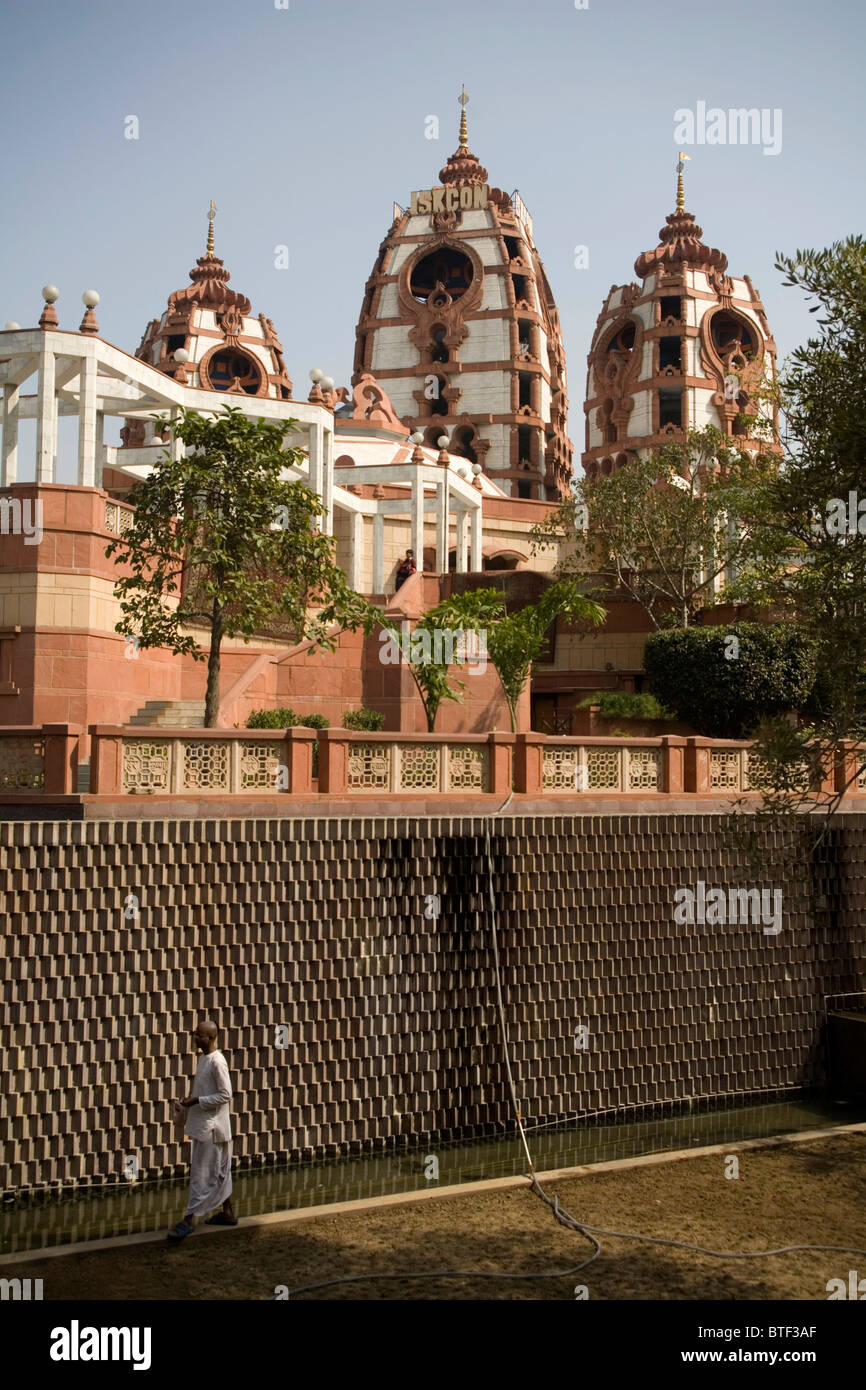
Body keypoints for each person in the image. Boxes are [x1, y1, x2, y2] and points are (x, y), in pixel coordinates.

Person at [167, 1020, 236, 1241]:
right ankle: (228, 1213)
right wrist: (190, 1102)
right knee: (222, 1171)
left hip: (212, 1128)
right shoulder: (204, 1059)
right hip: (209, 1125)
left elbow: (226, 1094)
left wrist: (197, 1100)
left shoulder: (217, 1062)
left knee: (202, 1173)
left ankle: (188, 1221)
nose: (195, 1037)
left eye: (199, 1035)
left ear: (210, 1038)